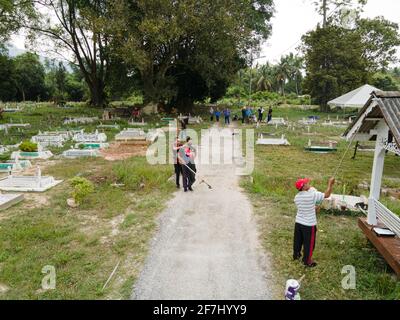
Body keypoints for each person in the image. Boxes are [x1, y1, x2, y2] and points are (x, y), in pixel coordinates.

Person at [293, 177, 335, 268]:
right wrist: (330, 184)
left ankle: (296, 256)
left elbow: (309, 208)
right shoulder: (312, 195)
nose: (308, 183)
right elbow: (327, 195)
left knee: (298, 241)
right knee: (309, 244)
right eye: (306, 183)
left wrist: (315, 207)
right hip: (309, 225)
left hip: (298, 222)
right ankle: (307, 261)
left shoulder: (296, 197)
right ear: (303, 187)